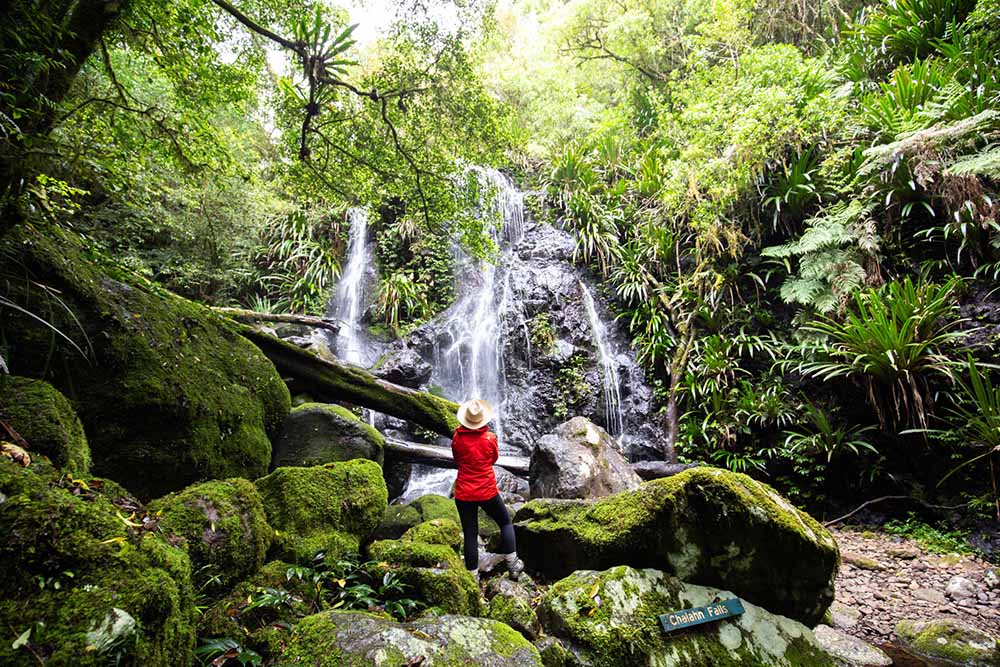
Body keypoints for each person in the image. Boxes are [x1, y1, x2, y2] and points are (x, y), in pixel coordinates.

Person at [451, 398, 523, 582]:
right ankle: (512, 564)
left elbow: (457, 459)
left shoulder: (457, 438)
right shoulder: (490, 438)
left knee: (469, 532)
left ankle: (472, 577)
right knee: (505, 522)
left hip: (464, 492)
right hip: (486, 491)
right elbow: (493, 459)